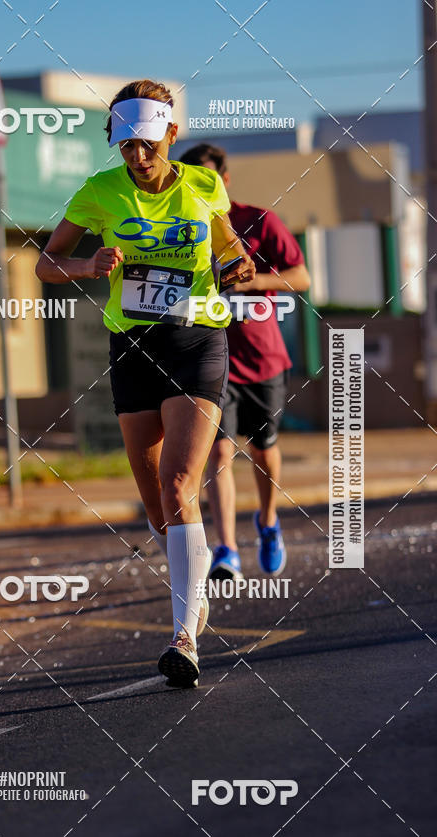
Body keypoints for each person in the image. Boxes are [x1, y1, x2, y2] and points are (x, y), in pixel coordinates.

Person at [35, 82, 255, 686]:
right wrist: (87, 264)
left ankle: (184, 635)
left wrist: (238, 264)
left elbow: (233, 251)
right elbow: (45, 262)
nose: (137, 156)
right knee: (158, 503)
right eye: (126, 144)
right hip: (131, 346)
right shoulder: (100, 192)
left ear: (171, 136)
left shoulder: (204, 186)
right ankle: (195, 578)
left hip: (196, 341)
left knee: (180, 479)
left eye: (148, 144)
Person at [179, 143, 311, 578]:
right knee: (218, 452)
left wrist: (255, 282)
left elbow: (301, 277)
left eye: (206, 176)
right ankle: (227, 549)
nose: (198, 184)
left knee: (264, 451)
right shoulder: (179, 226)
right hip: (213, 360)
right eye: (190, 175)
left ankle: (269, 521)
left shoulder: (259, 220)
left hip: (264, 359)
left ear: (224, 179)